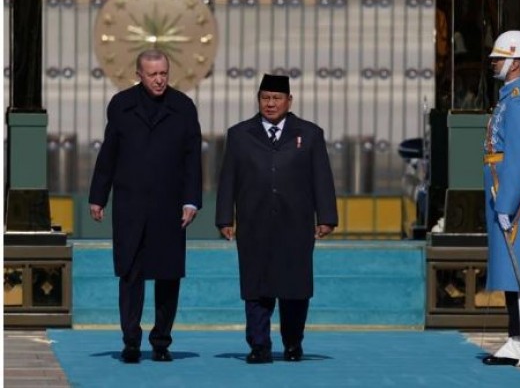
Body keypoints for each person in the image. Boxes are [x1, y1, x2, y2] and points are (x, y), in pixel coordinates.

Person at [89, 49, 202, 364]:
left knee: (168, 276)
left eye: (164, 73)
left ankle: (161, 342)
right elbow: (109, 153)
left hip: (169, 206)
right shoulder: (121, 105)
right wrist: (98, 196)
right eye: (152, 74)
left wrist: (191, 200)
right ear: (138, 74)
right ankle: (131, 342)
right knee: (130, 274)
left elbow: (193, 158)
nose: (159, 80)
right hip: (131, 205)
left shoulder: (183, 107)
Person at [216, 74, 338, 364]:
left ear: (289, 101)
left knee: (295, 288)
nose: (270, 104)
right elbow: (228, 178)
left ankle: (293, 343)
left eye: (276, 98)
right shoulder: (240, 135)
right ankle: (259, 345)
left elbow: (322, 177)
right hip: (253, 222)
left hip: (295, 223)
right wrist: (225, 218)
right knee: (256, 287)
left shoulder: (309, 134)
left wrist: (327, 216)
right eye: (265, 98)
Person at [481, 30, 520, 367]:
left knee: (517, 269)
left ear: (516, 62)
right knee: (510, 268)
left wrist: (506, 204)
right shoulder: (510, 97)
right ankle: (517, 339)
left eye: (500, 59)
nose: (494, 63)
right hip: (503, 185)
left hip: (512, 193)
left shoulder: (518, 101)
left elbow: (518, 157)